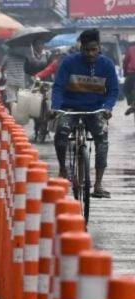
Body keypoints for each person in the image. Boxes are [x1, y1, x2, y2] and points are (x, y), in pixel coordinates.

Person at [50, 28, 119, 198]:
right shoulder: (68, 63)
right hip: (70, 108)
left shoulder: (107, 65)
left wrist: (108, 107)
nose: (90, 53)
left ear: (99, 48)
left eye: (93, 49)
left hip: (95, 109)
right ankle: (63, 169)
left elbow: (114, 90)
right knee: (61, 133)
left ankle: (98, 185)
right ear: (81, 48)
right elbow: (58, 87)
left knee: (102, 139)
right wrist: (55, 107)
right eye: (87, 49)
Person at [122, 41, 135, 107]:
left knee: (125, 88)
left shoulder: (130, 49)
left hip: (132, 73)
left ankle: (131, 102)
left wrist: (124, 73)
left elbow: (125, 62)